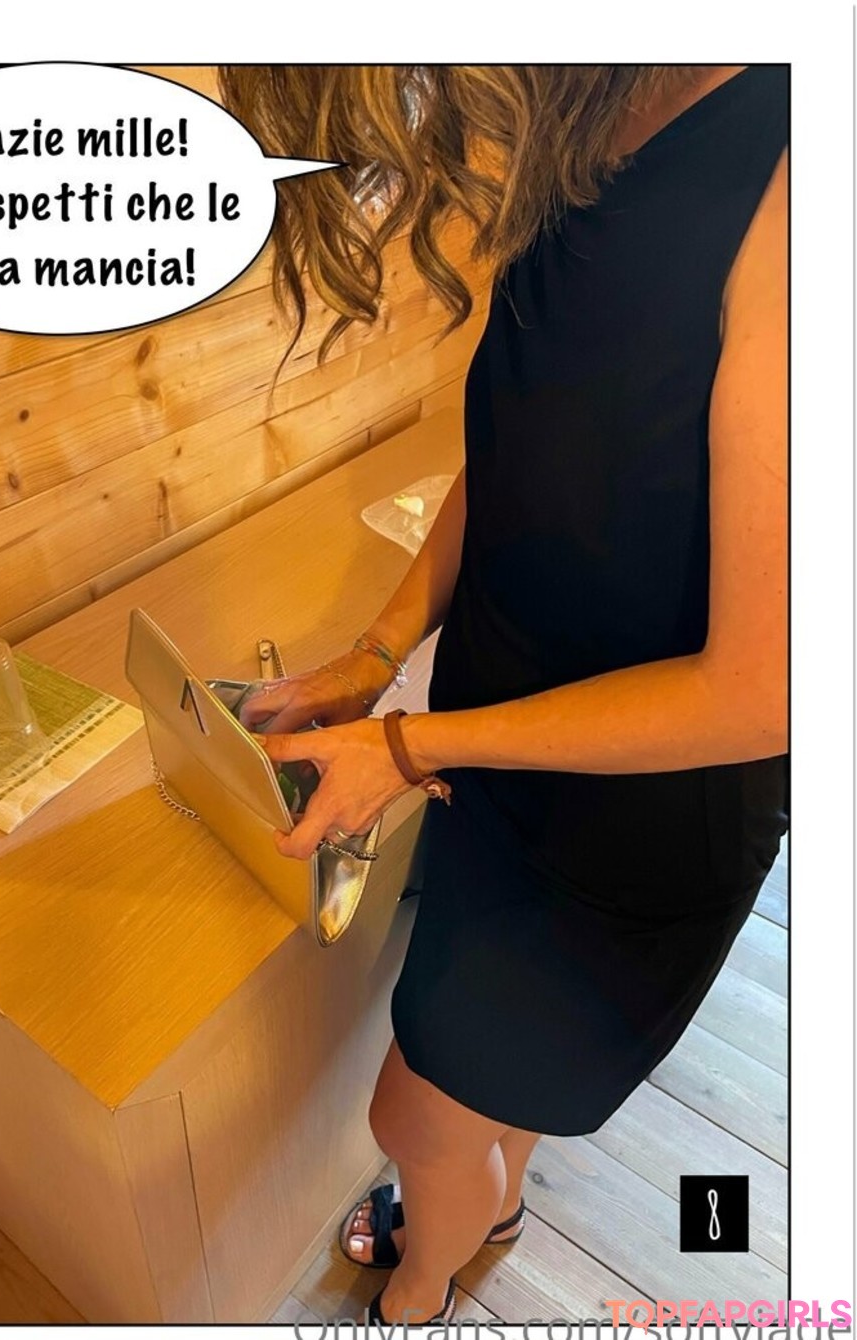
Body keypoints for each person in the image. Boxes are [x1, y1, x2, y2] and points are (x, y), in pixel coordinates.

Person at [220, 65, 789, 1327]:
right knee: (480, 1090)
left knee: (408, 1113)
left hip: (642, 814)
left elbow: (765, 688)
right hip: (494, 741)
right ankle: (493, 1199)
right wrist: (378, 654)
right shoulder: (584, 109)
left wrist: (408, 746)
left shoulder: (794, 172)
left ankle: (424, 1281)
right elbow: (522, 439)